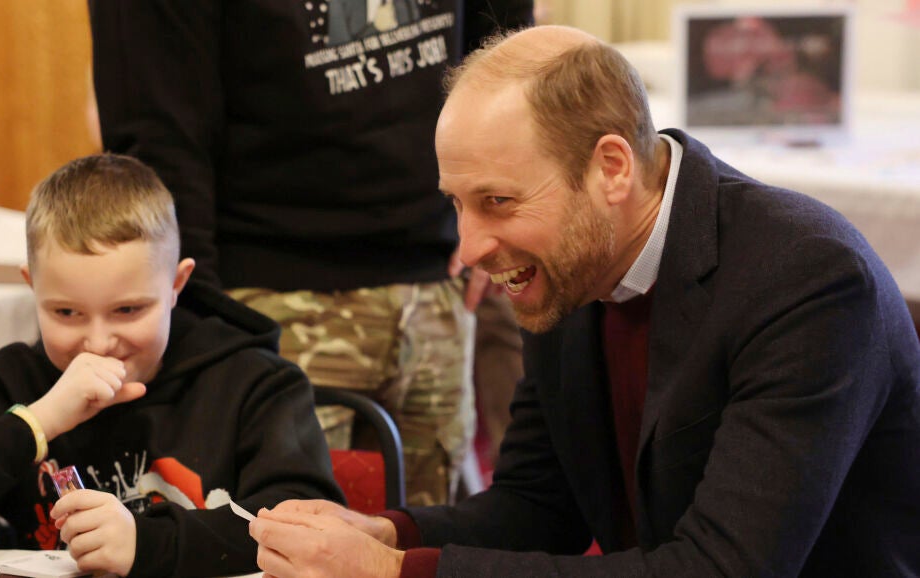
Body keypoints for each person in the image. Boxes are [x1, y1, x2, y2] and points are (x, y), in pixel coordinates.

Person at [247, 25, 920, 577]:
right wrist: (389, 533)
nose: (470, 247)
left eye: (498, 201)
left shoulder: (808, 280)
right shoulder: (571, 264)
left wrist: (395, 572)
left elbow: (721, 568)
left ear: (612, 169)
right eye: (457, 203)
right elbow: (538, 507)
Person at [88, 0, 532, 506]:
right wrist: (207, 331)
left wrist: (498, 215)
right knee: (282, 536)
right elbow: (158, 132)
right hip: (268, 300)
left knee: (427, 536)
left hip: (436, 278)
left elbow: (503, 48)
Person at [0, 154, 343, 577]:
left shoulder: (255, 382)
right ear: (32, 288)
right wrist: (37, 423)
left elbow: (310, 522)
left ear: (176, 284)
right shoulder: (12, 383)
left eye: (128, 310)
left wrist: (147, 543)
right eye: (66, 312)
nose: (99, 342)